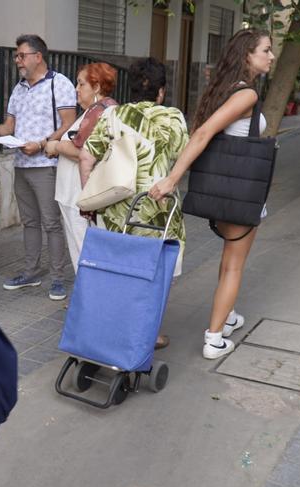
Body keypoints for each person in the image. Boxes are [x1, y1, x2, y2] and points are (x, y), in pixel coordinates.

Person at [149, 28, 275, 360]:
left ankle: (227, 314)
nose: (271, 56)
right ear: (248, 54)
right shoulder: (245, 95)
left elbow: (205, 132)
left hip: (222, 188)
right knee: (234, 265)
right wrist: (172, 179)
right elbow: (203, 133)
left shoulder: (224, 90)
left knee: (229, 260)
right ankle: (214, 337)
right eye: (266, 50)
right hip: (240, 191)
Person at [78, 57, 188, 350]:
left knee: (117, 272)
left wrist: (90, 199)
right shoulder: (173, 118)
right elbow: (182, 158)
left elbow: (86, 156)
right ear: (161, 91)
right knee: (154, 276)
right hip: (157, 211)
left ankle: (113, 330)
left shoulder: (113, 115)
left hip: (116, 212)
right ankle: (146, 335)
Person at [0, 34, 77, 301]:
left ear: (38, 56)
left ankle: (58, 278)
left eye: (21, 55)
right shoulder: (18, 88)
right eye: (16, 56)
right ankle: (31, 272)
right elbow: (9, 127)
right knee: (30, 222)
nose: (17, 60)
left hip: (47, 163)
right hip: (21, 164)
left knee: (51, 223)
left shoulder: (60, 84)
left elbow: (69, 123)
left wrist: (43, 143)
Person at [44, 62, 117, 271]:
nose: (76, 89)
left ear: (96, 87)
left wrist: (56, 146)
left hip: (78, 195)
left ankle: (88, 299)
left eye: (81, 84)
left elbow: (85, 153)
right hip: (76, 193)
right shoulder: (96, 110)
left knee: (82, 251)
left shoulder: (99, 111)